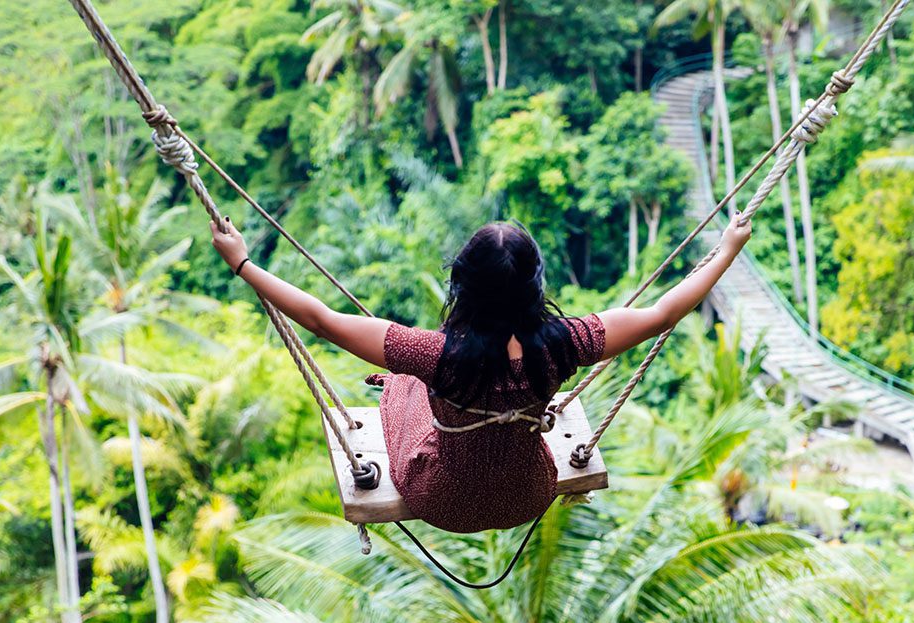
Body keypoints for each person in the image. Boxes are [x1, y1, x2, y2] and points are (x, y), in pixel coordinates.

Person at [211, 216, 752, 533]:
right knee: (416, 380)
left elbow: (321, 320)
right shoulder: (564, 345)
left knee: (403, 384)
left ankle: (399, 389)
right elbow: (662, 313)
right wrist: (726, 251)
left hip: (438, 499)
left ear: (462, 285)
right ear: (534, 287)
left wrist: (242, 263)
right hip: (528, 494)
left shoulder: (434, 354)